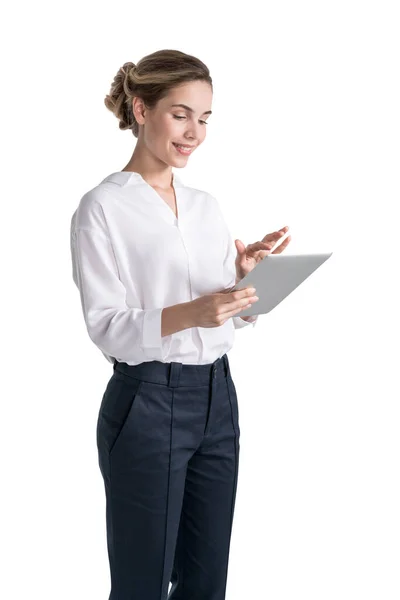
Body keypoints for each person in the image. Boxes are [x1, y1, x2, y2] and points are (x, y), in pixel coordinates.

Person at [70, 49, 290, 600]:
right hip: (147, 402)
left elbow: (221, 317)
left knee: (206, 578)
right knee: (144, 581)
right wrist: (191, 312)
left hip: (218, 397)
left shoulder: (205, 206)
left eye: (205, 118)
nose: (195, 132)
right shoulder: (102, 208)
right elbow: (105, 325)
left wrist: (245, 283)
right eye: (181, 113)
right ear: (141, 110)